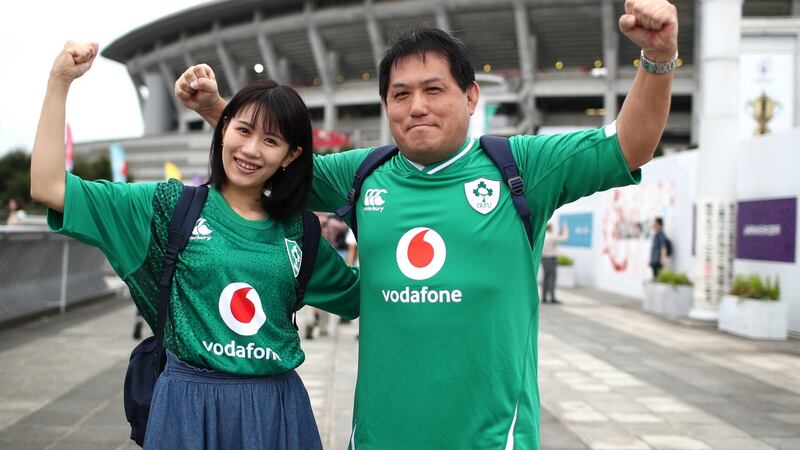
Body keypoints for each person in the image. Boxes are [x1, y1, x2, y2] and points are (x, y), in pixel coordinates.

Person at [176, 0, 677, 447]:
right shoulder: (364, 173)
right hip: (378, 436)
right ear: (386, 105)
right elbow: (270, 160)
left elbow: (630, 145)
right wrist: (216, 110)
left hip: (490, 438)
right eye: (400, 94)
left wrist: (657, 59)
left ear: (471, 96)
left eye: (434, 89)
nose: (416, 106)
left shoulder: (521, 167)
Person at [31, 41, 360, 450]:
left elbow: (364, 298)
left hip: (277, 412)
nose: (251, 150)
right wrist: (59, 80)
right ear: (223, 129)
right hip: (187, 409)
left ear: (291, 156)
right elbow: (49, 187)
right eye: (242, 130)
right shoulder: (170, 208)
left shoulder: (300, 232)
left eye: (271, 141)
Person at [541, 223, 568, 304]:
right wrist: (565, 231)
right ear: (550, 228)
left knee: (545, 279)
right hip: (551, 260)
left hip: (544, 259)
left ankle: (544, 298)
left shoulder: (543, 236)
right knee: (552, 278)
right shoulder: (551, 236)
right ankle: (552, 298)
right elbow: (564, 238)